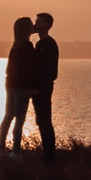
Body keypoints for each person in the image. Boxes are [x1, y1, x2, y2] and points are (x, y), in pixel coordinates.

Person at [0, 16, 36, 152]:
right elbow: (28, 70)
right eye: (31, 24)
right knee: (19, 120)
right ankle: (16, 151)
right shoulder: (27, 47)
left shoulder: (15, 46)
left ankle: (1, 147)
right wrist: (31, 89)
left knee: (8, 116)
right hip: (21, 88)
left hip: (11, 86)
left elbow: (9, 69)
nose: (33, 25)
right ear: (27, 29)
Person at [29, 12, 60, 154]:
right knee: (41, 121)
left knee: (45, 121)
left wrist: (39, 88)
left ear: (47, 25)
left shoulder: (49, 44)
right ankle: (47, 153)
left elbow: (50, 71)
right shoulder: (39, 44)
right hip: (39, 88)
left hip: (43, 88)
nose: (35, 25)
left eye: (39, 22)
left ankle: (49, 156)